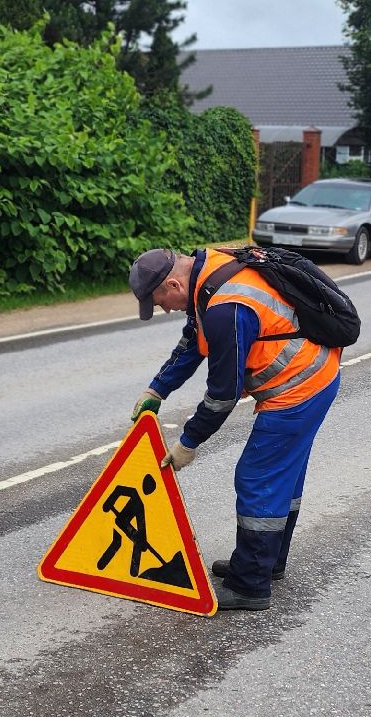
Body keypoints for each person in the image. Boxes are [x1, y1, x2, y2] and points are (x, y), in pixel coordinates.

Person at [125, 246, 341, 612]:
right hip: (315, 378)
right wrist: (157, 389)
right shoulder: (208, 274)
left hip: (298, 389)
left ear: (174, 285)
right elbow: (193, 340)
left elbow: (223, 395)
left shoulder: (227, 309)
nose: (165, 310)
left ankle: (250, 584)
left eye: (160, 302)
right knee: (282, 478)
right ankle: (266, 562)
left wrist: (188, 442)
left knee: (259, 479)